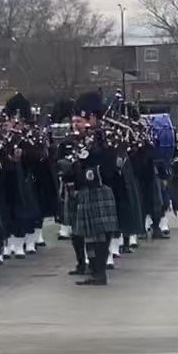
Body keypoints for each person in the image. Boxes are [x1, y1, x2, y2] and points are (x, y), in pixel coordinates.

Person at [70, 92, 119, 286]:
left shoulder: (102, 137)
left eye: (81, 120)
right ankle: (94, 270)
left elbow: (109, 165)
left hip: (99, 188)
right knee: (90, 234)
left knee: (99, 234)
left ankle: (99, 272)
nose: (77, 125)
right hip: (86, 190)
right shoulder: (85, 138)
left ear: (92, 118)